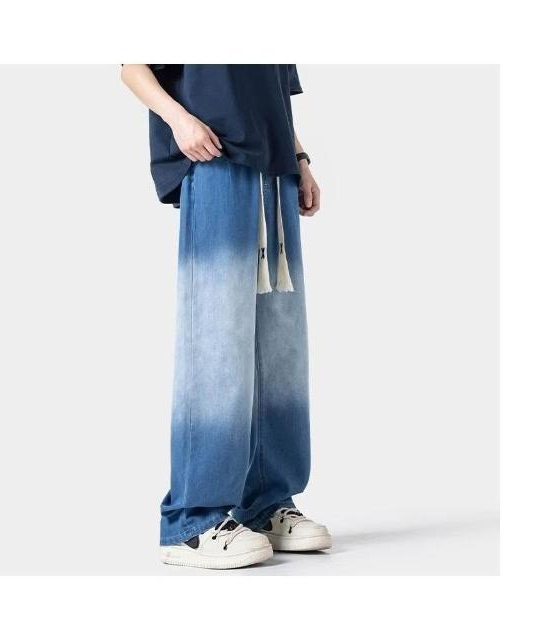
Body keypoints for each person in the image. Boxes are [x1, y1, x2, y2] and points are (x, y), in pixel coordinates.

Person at [122, 64, 330, 569]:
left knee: (279, 347)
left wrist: (300, 158)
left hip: (274, 170)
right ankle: (192, 522)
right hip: (215, 157)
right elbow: (132, 66)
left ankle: (266, 502)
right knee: (216, 338)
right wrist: (179, 121)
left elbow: (276, 94)